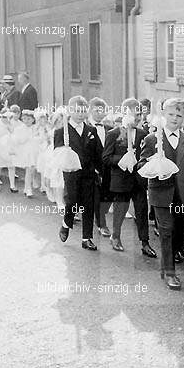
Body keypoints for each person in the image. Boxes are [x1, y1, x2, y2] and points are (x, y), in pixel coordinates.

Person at [138, 98, 184, 290]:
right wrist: (153, 163)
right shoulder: (152, 139)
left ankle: (169, 259)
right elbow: (140, 165)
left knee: (179, 231)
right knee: (165, 230)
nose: (174, 118)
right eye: (171, 114)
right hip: (160, 192)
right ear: (163, 115)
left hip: (183, 195)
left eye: (179, 115)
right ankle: (169, 272)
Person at [101, 98, 156, 258]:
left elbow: (146, 155)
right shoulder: (114, 134)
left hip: (138, 180)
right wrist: (122, 160)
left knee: (141, 210)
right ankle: (115, 236)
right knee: (120, 210)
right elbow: (106, 158)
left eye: (140, 114)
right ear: (125, 113)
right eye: (135, 113)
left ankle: (145, 243)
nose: (138, 117)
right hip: (121, 179)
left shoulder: (143, 134)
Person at [56, 96, 102, 251]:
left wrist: (101, 171)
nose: (81, 114)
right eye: (77, 111)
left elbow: (98, 153)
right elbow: (56, 154)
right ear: (70, 110)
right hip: (71, 173)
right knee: (73, 201)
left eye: (83, 111)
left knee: (89, 204)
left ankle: (86, 237)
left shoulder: (91, 130)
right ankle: (66, 223)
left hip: (89, 173)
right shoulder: (62, 131)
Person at [89, 97, 113, 237]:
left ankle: (98, 215)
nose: (99, 113)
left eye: (102, 111)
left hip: (107, 169)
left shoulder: (109, 129)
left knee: (108, 196)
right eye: (96, 110)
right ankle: (101, 224)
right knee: (98, 197)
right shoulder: (86, 128)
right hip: (92, 169)